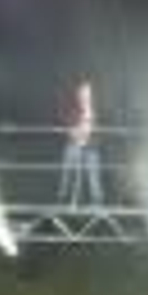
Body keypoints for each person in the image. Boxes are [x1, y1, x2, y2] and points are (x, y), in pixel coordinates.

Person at [56, 78, 104, 209]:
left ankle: (97, 203)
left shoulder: (96, 109)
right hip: (74, 145)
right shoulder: (73, 109)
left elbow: (99, 129)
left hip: (91, 147)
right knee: (68, 173)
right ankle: (63, 199)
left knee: (93, 175)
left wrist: (89, 135)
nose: (84, 96)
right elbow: (68, 127)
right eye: (82, 93)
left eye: (87, 93)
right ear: (78, 95)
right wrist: (77, 136)